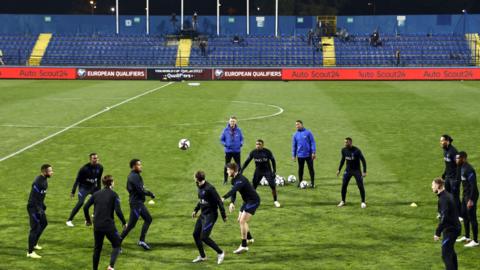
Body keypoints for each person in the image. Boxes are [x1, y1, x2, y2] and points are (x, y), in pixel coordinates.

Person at [84, 175, 127, 270]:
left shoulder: (96, 194)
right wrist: (124, 222)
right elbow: (118, 211)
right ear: (111, 183)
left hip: (97, 225)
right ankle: (111, 266)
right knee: (117, 244)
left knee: (97, 249)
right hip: (108, 225)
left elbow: (85, 207)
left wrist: (88, 220)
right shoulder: (114, 194)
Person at [222, 163, 260, 254]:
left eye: (228, 170)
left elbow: (233, 190)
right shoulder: (234, 180)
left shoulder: (241, 180)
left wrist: (223, 197)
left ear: (232, 170)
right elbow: (234, 192)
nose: (227, 172)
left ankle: (244, 246)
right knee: (240, 220)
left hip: (253, 201)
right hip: (246, 201)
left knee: (242, 221)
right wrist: (232, 202)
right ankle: (250, 238)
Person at [191, 171, 227, 264]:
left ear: (197, 178)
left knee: (204, 237)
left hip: (211, 216)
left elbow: (219, 201)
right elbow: (201, 200)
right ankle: (203, 256)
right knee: (195, 234)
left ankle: (221, 252)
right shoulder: (198, 185)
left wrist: (223, 215)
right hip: (203, 215)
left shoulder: (210, 188)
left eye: (194, 177)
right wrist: (196, 210)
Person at [120, 159, 155, 250]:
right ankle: (117, 243)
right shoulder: (134, 176)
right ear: (134, 166)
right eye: (139, 165)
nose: (141, 166)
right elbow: (140, 190)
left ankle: (141, 240)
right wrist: (150, 193)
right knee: (131, 225)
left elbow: (132, 189)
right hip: (136, 204)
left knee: (148, 219)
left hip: (138, 203)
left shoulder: (134, 176)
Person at [66, 153, 103, 227]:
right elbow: (77, 180)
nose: (96, 159)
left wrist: (99, 190)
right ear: (90, 159)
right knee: (80, 203)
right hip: (84, 188)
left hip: (93, 187)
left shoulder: (100, 167)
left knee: (98, 199)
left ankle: (94, 214)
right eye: (94, 158)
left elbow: (98, 179)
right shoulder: (84, 168)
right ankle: (69, 220)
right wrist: (73, 191)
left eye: (96, 158)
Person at [241, 139, 280, 207]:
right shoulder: (253, 152)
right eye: (256, 144)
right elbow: (247, 161)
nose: (258, 146)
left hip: (267, 171)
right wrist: (242, 170)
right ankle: (250, 201)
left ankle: (275, 201)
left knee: (273, 186)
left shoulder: (267, 152)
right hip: (258, 171)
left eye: (259, 144)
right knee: (253, 187)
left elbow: (273, 161)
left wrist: (274, 171)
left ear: (262, 145)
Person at [432, 177, 461, 270]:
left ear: (437, 186)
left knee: (446, 255)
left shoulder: (443, 199)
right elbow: (448, 212)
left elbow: (444, 218)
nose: (432, 187)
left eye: (433, 185)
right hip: (455, 227)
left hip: (450, 230)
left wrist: (437, 232)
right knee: (450, 251)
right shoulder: (447, 195)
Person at [27, 164, 54, 259]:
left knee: (44, 223)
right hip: (33, 207)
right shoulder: (38, 182)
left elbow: (40, 196)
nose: (52, 172)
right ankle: (30, 252)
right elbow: (34, 197)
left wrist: (43, 205)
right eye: (50, 171)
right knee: (34, 228)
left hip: (39, 206)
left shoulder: (44, 180)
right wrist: (38, 209)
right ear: (44, 172)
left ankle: (34, 243)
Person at [455, 151, 479, 247]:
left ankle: (476, 241)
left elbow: (473, 186)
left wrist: (471, 200)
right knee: (464, 215)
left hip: (471, 196)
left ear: (464, 158)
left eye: (458, 158)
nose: (456, 160)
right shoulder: (461, 168)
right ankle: (467, 237)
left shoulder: (469, 170)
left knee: (472, 217)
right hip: (465, 195)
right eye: (456, 158)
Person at [336, 137, 367, 208]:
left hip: (356, 171)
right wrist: (339, 169)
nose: (345, 143)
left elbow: (363, 160)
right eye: (344, 142)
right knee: (344, 185)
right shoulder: (343, 150)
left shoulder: (357, 150)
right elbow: (342, 160)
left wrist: (364, 171)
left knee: (360, 186)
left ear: (350, 142)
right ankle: (343, 201)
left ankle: (363, 202)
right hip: (348, 170)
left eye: (346, 142)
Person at [292, 120, 316, 188]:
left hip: (309, 155)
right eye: (296, 125)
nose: (297, 126)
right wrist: (293, 155)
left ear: (302, 124)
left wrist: (313, 152)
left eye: (298, 124)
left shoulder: (308, 132)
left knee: (311, 169)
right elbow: (294, 145)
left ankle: (312, 183)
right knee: (300, 169)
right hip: (300, 155)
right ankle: (300, 182)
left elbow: (313, 142)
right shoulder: (295, 135)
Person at [220, 116, 244, 184]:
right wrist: (225, 144)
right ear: (229, 122)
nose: (232, 122)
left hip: (237, 151)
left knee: (238, 165)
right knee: (227, 165)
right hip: (228, 151)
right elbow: (221, 139)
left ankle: (239, 179)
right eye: (231, 121)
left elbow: (242, 139)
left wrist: (241, 144)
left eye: (233, 121)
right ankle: (225, 180)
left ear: (236, 122)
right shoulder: (225, 130)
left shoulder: (239, 130)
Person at [440, 135, 460, 214]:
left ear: (447, 141)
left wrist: (457, 179)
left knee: (455, 197)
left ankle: (459, 215)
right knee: (446, 195)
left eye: (442, 141)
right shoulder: (445, 151)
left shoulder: (453, 152)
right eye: (440, 141)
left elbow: (459, 166)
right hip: (448, 177)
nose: (440, 142)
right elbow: (447, 165)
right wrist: (444, 175)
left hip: (454, 178)